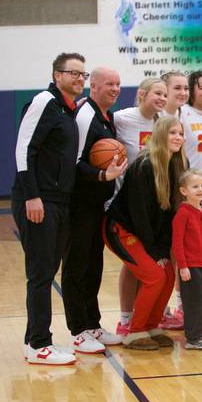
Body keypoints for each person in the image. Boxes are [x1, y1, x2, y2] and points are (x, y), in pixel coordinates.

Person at [14, 53, 84, 365]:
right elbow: (23, 148)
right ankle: (39, 344)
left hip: (59, 202)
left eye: (83, 74)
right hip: (39, 200)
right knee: (41, 274)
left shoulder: (69, 111)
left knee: (46, 272)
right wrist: (32, 196)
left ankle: (35, 341)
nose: (80, 79)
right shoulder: (44, 100)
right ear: (57, 75)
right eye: (74, 73)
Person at [104, 116, 187, 350]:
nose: (178, 138)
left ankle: (152, 326)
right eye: (172, 133)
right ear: (160, 136)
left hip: (147, 233)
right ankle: (135, 331)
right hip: (121, 229)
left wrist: (162, 249)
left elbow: (168, 216)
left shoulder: (177, 165)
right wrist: (154, 250)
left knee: (169, 274)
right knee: (155, 276)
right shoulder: (144, 165)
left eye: (180, 133)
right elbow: (140, 215)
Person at [61, 66, 127, 355]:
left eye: (117, 84)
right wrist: (102, 176)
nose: (114, 89)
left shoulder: (107, 116)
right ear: (94, 86)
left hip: (98, 204)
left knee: (93, 265)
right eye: (108, 84)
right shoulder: (85, 114)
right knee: (77, 265)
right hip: (79, 204)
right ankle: (78, 330)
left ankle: (93, 324)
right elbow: (73, 162)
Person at [113, 77, 167, 336]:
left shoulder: (161, 122)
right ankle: (126, 317)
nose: (162, 98)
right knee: (131, 263)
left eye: (164, 95)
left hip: (150, 201)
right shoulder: (122, 118)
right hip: (124, 200)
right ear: (142, 94)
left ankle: (145, 314)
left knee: (145, 264)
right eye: (157, 93)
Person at [172, 169, 202, 350]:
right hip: (190, 267)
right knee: (194, 302)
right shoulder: (183, 214)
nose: (200, 189)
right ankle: (193, 338)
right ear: (184, 191)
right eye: (195, 187)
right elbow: (177, 243)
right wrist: (182, 267)